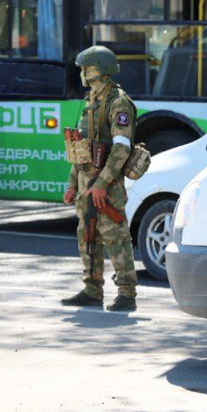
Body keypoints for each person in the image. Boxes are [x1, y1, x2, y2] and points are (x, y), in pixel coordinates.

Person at [61, 46, 139, 312]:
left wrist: (102, 183)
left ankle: (127, 293)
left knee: (115, 236)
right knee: (87, 235)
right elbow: (81, 147)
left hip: (107, 184)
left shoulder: (118, 102)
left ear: (100, 69)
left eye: (87, 68)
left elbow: (121, 148)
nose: (83, 73)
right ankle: (92, 289)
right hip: (86, 183)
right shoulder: (90, 100)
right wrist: (73, 184)